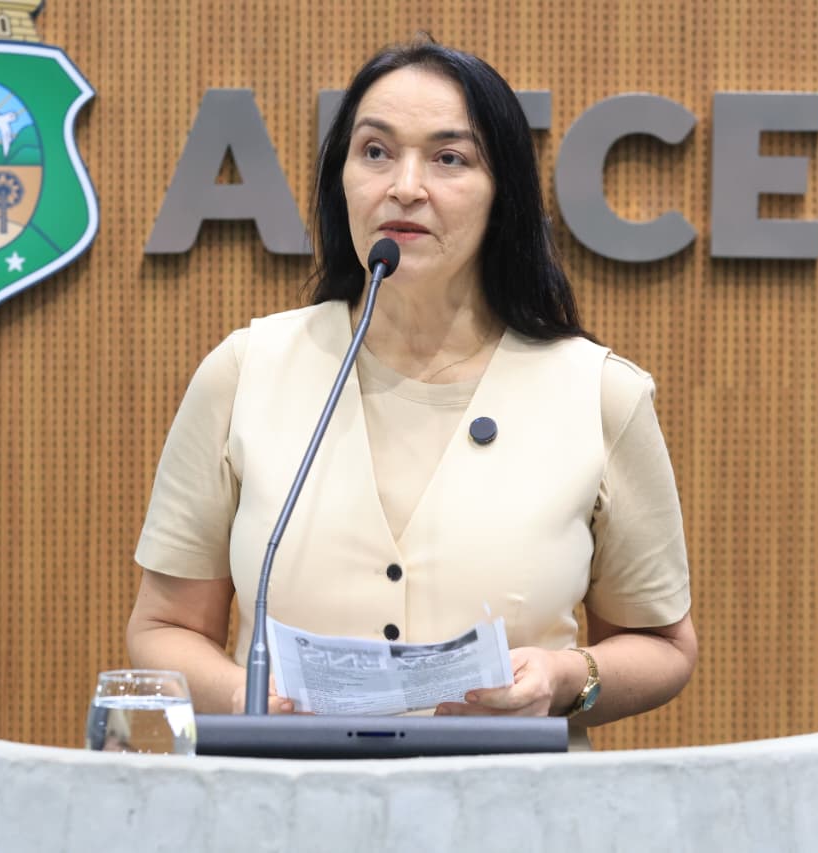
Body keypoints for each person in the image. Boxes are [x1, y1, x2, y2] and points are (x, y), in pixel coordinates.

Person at [127, 39, 696, 745]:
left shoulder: (598, 391)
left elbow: (664, 647)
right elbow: (164, 626)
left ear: (503, 194)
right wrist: (246, 700)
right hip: (284, 792)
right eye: (375, 151)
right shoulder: (247, 371)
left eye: (449, 158)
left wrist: (562, 679)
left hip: (513, 798)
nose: (404, 186)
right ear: (340, 178)